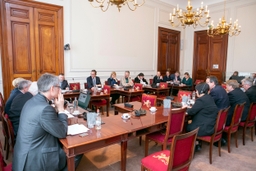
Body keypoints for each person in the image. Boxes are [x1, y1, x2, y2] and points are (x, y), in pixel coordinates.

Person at [13, 73, 82, 171]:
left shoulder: (32, 101)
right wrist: (61, 109)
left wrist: (56, 109)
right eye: (58, 87)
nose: (60, 90)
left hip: (23, 153)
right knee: (77, 150)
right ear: (52, 88)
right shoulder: (45, 109)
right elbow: (62, 132)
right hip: (35, 160)